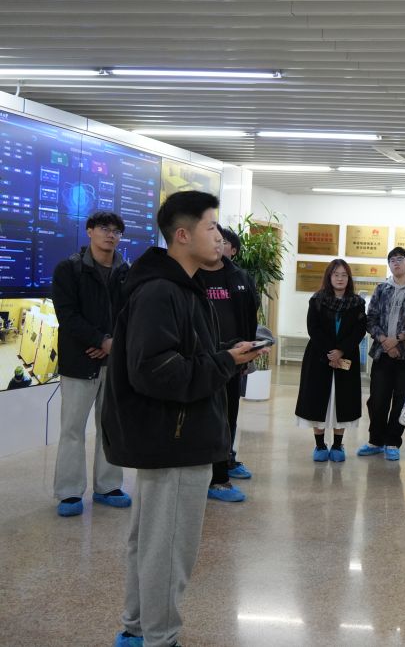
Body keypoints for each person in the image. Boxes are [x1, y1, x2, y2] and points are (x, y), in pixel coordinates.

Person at [102, 191, 262, 647]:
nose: (220, 238)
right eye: (211, 227)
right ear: (183, 235)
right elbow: (155, 370)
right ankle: (161, 636)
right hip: (173, 436)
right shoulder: (161, 291)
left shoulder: (181, 287)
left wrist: (226, 354)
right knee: (168, 546)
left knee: (153, 541)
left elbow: (182, 355)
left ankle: (138, 627)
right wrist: (224, 362)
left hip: (174, 434)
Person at [50, 210, 132, 518]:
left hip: (114, 361)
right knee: (72, 429)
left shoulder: (125, 271)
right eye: (104, 228)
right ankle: (69, 492)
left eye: (116, 231)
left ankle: (108, 486)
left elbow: (131, 314)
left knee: (110, 426)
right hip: (78, 361)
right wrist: (101, 340)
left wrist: (112, 344)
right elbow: (67, 315)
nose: (111, 235)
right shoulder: (69, 269)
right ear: (89, 231)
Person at [196, 224, 260, 502]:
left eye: (220, 240)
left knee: (227, 417)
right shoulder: (190, 275)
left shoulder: (239, 277)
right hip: (197, 362)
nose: (217, 244)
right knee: (200, 419)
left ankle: (220, 476)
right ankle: (200, 476)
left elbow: (250, 316)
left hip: (232, 360)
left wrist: (248, 352)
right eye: (212, 239)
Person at [294, 259, 367, 464]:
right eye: (336, 274)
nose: (340, 278)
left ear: (349, 278)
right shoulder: (317, 300)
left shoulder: (357, 303)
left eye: (344, 275)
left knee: (342, 401)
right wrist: (330, 352)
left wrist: (341, 350)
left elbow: (359, 330)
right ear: (329, 277)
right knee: (318, 400)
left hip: (347, 356)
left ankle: (337, 445)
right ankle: (319, 445)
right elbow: (313, 328)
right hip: (319, 356)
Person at [359, 246, 405, 461]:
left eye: (400, 259)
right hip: (382, 353)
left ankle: (392, 442)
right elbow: (370, 319)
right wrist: (385, 342)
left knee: (401, 401)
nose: (396, 263)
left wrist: (398, 339)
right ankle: (375, 440)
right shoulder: (381, 289)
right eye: (392, 260)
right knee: (377, 400)